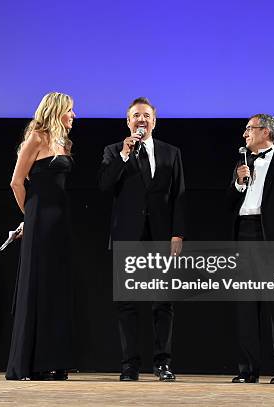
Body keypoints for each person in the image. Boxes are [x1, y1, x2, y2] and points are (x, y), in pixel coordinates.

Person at [99, 97, 186, 381]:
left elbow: (179, 196)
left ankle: (163, 363)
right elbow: (104, 185)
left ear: (154, 121)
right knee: (127, 303)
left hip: (162, 237)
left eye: (146, 115)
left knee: (163, 302)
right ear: (128, 122)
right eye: (136, 115)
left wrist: (177, 233)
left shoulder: (171, 152)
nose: (141, 120)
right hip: (128, 237)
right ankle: (130, 365)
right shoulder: (114, 151)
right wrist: (124, 155)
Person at [227, 113, 274, 385]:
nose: (245, 134)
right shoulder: (242, 162)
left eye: (250, 129)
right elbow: (228, 203)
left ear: (266, 132)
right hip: (244, 234)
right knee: (245, 307)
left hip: (272, 240)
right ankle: (248, 370)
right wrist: (238, 182)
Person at [5, 92, 76, 381]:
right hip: (39, 216)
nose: (74, 116)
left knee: (55, 288)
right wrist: (29, 216)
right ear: (57, 111)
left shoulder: (64, 142)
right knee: (36, 283)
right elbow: (16, 181)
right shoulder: (37, 137)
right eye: (70, 111)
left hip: (60, 219)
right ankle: (27, 363)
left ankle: (52, 361)